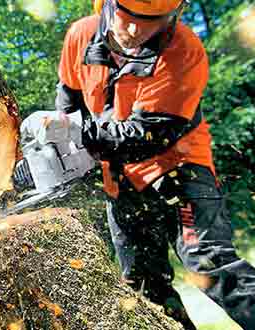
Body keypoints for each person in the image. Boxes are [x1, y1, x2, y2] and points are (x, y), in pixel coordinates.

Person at [53, 0, 255, 329]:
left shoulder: (184, 51)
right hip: (119, 181)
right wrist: (60, 142)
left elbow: (146, 135)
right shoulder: (80, 36)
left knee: (207, 262)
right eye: (127, 17)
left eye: (151, 21)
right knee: (145, 290)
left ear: (172, 14)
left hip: (180, 169)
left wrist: (80, 134)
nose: (135, 30)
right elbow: (67, 104)